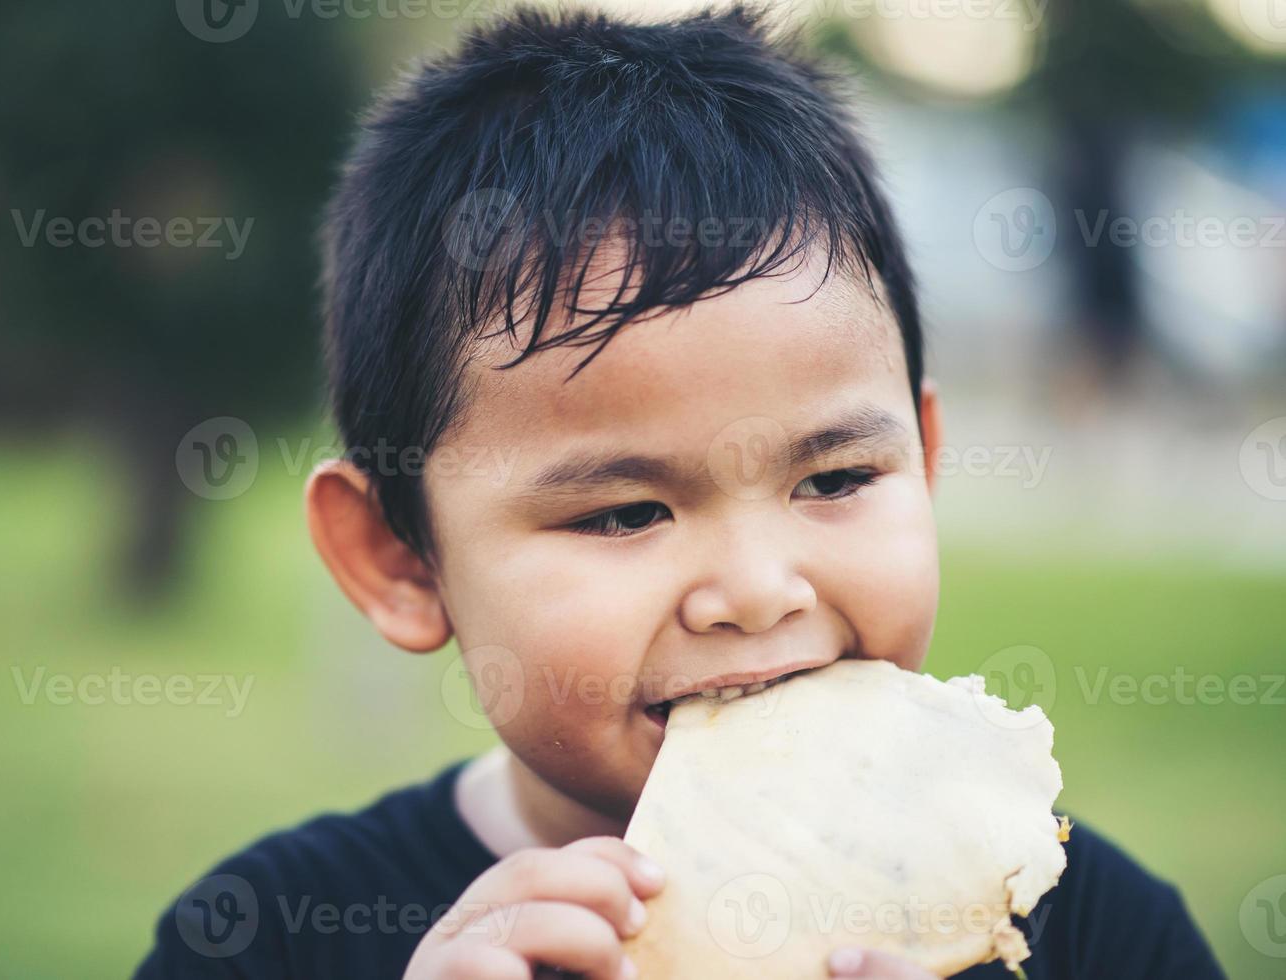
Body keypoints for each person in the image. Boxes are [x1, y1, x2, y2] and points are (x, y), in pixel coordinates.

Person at [136, 4, 1224, 978]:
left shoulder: (1090, 931)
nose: (754, 591)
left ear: (922, 462)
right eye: (622, 511)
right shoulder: (273, 933)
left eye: (835, 476)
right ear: (400, 560)